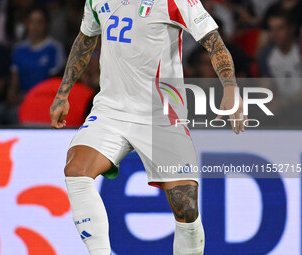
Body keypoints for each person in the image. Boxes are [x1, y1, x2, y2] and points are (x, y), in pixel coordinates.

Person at [50, 0, 245, 254]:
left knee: (186, 208)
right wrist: (63, 93)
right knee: (76, 170)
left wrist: (230, 88)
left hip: (161, 116)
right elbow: (85, 39)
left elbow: (214, 41)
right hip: (111, 110)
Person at [8, 6, 65, 123]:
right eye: (31, 22)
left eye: (39, 22)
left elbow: (55, 83)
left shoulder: (54, 48)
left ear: (46, 24)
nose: (35, 26)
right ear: (26, 23)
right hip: (22, 100)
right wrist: (13, 97)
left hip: (45, 100)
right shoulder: (19, 49)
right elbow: (13, 84)